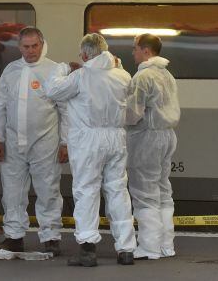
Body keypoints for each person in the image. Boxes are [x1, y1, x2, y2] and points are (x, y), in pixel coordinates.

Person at [45, 34, 136, 267]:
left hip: (88, 140)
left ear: (84, 55)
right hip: (116, 137)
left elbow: (52, 90)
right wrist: (117, 64)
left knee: (86, 191)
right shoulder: (123, 75)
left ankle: (87, 250)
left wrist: (64, 68)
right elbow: (129, 88)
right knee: (118, 191)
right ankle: (125, 249)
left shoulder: (80, 76)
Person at [0, 26, 67, 255]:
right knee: (12, 191)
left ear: (42, 45)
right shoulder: (11, 71)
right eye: (26, 46)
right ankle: (14, 236)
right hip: (13, 142)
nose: (31, 50)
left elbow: (65, 111)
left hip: (45, 142)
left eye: (35, 46)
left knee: (48, 189)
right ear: (19, 46)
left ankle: (51, 236)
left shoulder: (54, 71)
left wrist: (65, 143)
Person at [125, 33, 180, 260]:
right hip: (167, 135)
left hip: (146, 138)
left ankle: (149, 247)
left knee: (144, 192)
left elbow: (133, 114)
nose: (132, 53)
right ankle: (167, 245)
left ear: (145, 50)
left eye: (135, 48)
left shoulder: (143, 77)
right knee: (163, 191)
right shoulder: (167, 74)